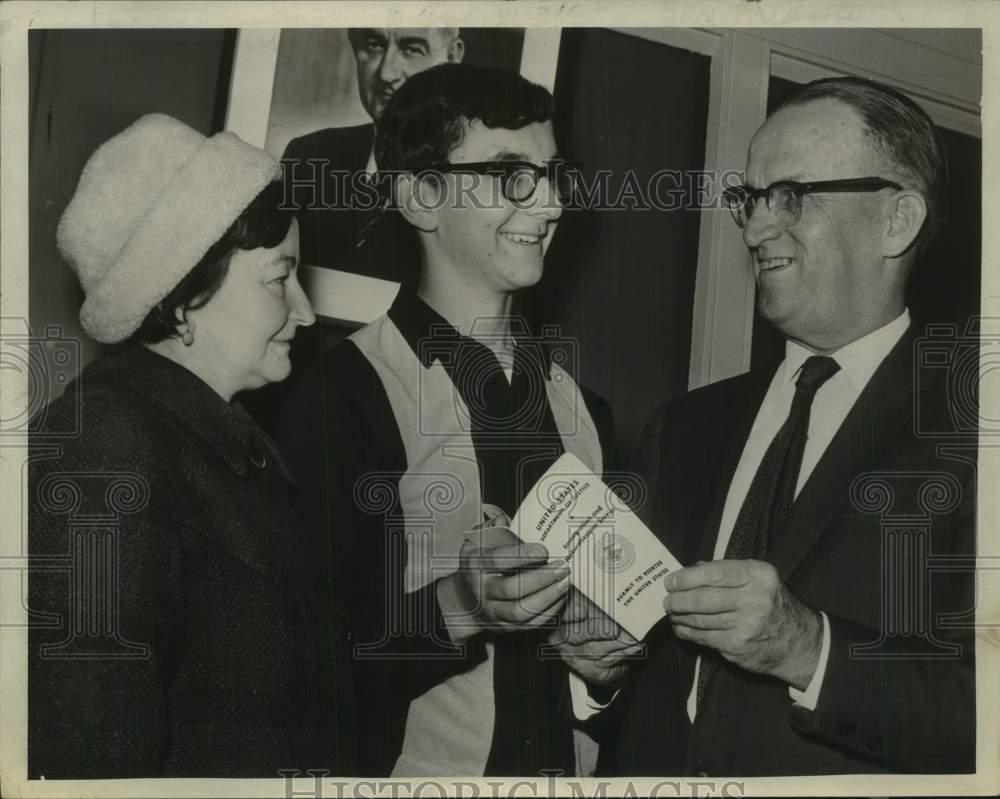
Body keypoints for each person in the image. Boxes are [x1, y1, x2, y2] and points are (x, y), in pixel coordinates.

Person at [614, 76, 976, 776]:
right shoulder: (683, 426)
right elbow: (647, 675)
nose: (753, 228)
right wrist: (593, 663)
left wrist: (809, 648)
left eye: (791, 196)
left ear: (896, 221)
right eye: (748, 199)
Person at [298, 63, 639, 777]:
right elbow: (305, 668)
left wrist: (602, 674)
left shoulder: (587, 414)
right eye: (511, 176)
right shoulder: (340, 396)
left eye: (553, 176)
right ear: (421, 196)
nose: (548, 207)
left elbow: (610, 679)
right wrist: (459, 603)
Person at [27, 113, 353, 777]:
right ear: (182, 300)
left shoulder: (216, 444)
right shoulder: (106, 447)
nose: (307, 311)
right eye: (277, 278)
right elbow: (91, 756)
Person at [282, 27, 464, 282]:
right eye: (373, 45)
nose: (387, 73)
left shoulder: (474, 178)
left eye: (412, 49)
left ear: (452, 58)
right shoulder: (307, 157)